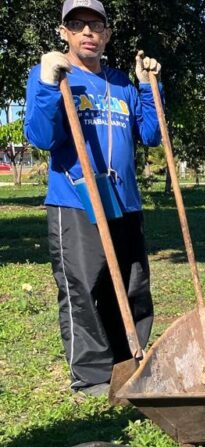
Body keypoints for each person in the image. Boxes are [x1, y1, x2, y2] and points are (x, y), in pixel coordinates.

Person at [24, 0, 163, 396]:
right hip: (75, 200)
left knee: (133, 286)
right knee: (82, 287)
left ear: (107, 34)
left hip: (123, 200)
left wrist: (149, 87)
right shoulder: (52, 75)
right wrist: (48, 83)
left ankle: (129, 361)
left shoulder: (120, 83)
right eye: (77, 24)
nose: (87, 32)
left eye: (96, 24)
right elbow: (41, 137)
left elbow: (151, 134)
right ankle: (91, 375)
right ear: (64, 32)